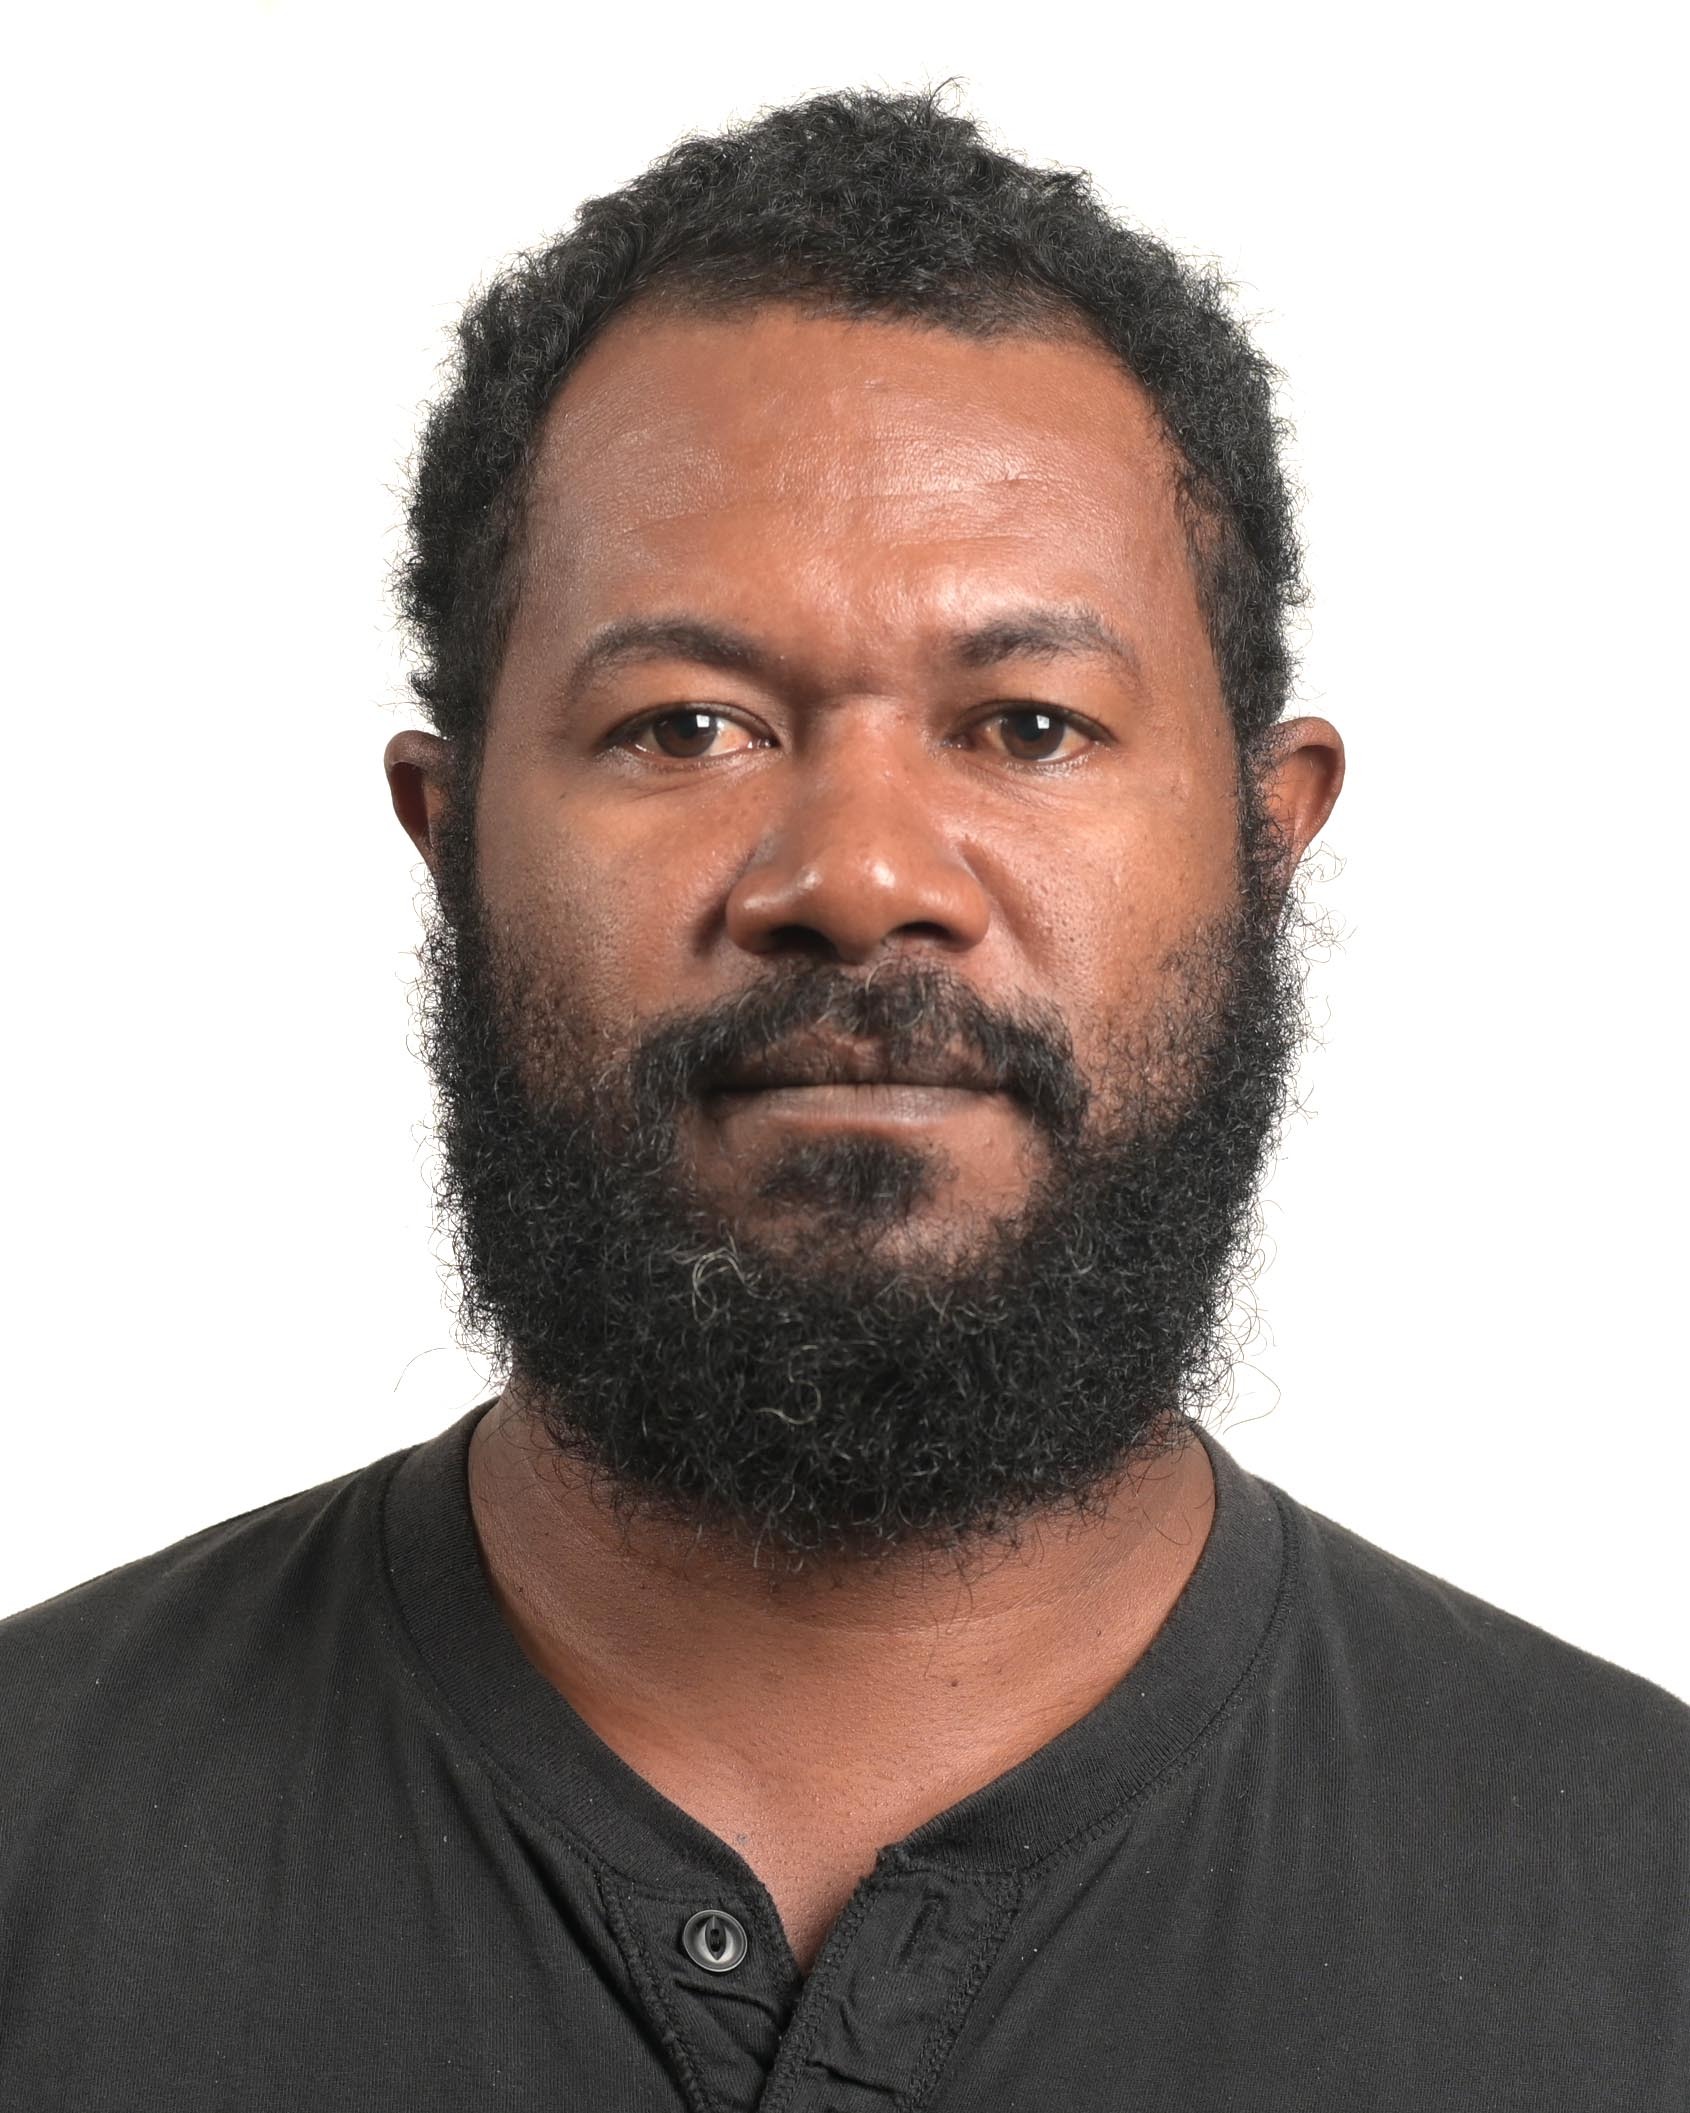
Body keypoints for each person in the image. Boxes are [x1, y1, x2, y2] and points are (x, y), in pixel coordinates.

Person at [2, 82, 1684, 2112]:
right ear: (451, 838)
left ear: (1265, 837)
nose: (862, 876)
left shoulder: (1641, 1913)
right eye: (686, 725)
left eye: (1029, 725)